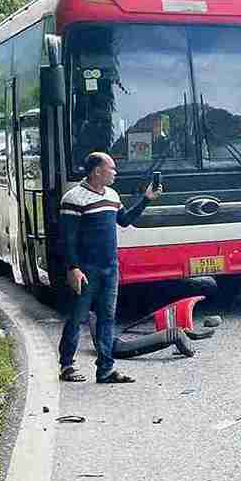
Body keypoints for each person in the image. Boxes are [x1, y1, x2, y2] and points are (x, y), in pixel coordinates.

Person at [57, 151, 161, 384]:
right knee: (77, 317)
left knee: (107, 318)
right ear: (97, 171)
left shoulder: (112, 195)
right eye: (111, 168)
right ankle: (66, 365)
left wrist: (146, 199)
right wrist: (72, 268)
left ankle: (105, 369)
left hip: (110, 268)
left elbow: (124, 220)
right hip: (85, 269)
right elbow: (67, 237)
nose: (115, 173)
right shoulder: (73, 198)